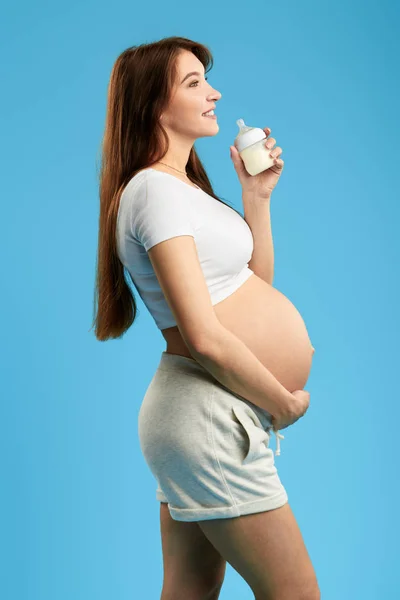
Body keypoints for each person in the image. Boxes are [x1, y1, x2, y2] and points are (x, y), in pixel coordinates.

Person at [92, 36, 320, 600]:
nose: (213, 93)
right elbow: (204, 335)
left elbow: (249, 290)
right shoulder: (153, 191)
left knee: (190, 590)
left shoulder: (180, 189)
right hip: (207, 414)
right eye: (194, 83)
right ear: (152, 104)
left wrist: (256, 198)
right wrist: (281, 402)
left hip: (206, 411)